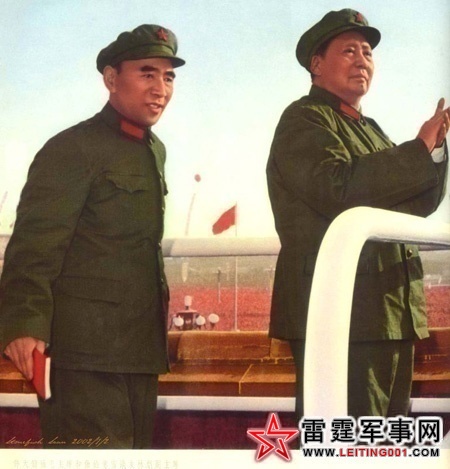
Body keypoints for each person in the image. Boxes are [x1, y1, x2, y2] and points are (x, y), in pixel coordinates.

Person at [0, 24, 185, 449]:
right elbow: (34, 245)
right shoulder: (72, 148)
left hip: (138, 351)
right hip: (81, 355)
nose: (160, 89)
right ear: (111, 79)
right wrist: (24, 325)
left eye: (168, 76)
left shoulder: (153, 150)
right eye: (147, 73)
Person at [266, 9, 449, 421]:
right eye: (349, 50)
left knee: (384, 441)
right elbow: (338, 187)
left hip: (388, 311)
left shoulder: (370, 129)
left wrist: (434, 150)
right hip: (341, 312)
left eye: (367, 52)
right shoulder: (304, 119)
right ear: (316, 64)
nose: (362, 60)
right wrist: (416, 150)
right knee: (343, 439)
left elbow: (416, 205)